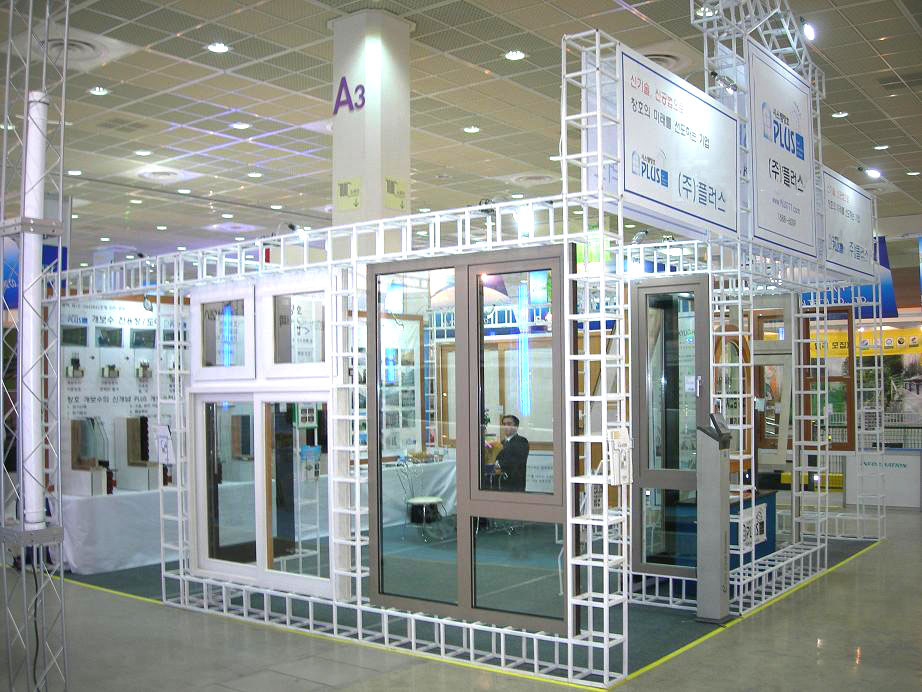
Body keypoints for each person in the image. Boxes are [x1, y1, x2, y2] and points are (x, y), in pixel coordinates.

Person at [494, 414, 529, 492]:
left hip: (515, 485)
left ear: (516, 426)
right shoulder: (501, 443)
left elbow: (516, 462)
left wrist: (499, 465)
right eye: (504, 424)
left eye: (509, 424)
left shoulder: (522, 441)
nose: (506, 426)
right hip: (500, 484)